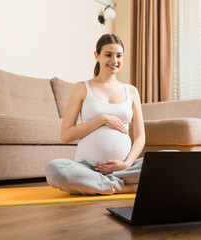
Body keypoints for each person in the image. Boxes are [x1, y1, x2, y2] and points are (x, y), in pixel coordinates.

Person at [45, 34, 145, 195]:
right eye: (108, 55)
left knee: (170, 159)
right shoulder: (81, 88)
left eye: (119, 56)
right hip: (87, 168)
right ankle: (125, 187)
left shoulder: (132, 91)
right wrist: (102, 119)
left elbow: (140, 137)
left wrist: (126, 164)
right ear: (96, 56)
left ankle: (103, 185)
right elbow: (66, 135)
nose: (114, 61)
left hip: (124, 168)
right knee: (54, 169)